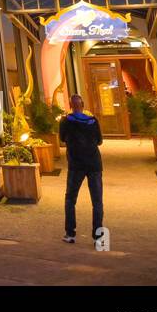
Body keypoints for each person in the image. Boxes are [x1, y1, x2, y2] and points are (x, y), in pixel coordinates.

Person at [59, 93, 104, 244]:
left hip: (76, 165)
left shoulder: (66, 121)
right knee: (97, 201)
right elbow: (99, 141)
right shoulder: (93, 121)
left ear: (71, 106)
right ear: (83, 105)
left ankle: (70, 233)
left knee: (70, 199)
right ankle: (98, 236)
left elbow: (62, 138)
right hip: (94, 164)